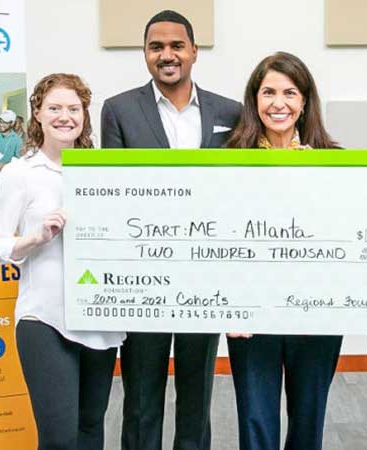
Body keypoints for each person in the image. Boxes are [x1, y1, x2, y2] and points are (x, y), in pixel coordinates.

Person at [101, 10, 240, 450]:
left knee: (197, 393)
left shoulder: (231, 112)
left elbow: (241, 192)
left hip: (206, 274)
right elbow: (115, 195)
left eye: (176, 45)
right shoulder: (119, 110)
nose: (167, 55)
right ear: (145, 54)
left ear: (194, 52)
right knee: (141, 394)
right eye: (156, 46)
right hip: (144, 277)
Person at [0, 73, 124, 450]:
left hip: (99, 317)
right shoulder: (19, 174)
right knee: (59, 439)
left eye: (74, 108)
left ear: (84, 115)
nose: (65, 116)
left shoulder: (103, 172)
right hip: (44, 320)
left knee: (91, 428)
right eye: (55, 108)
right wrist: (34, 239)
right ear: (38, 114)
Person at [224, 52, 342, 450]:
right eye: (269, 92)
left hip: (316, 316)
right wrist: (226, 305)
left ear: (305, 101)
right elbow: (215, 239)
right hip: (251, 314)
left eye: (290, 93)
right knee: (256, 421)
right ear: (254, 99)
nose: (279, 103)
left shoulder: (337, 164)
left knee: (308, 422)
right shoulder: (228, 161)